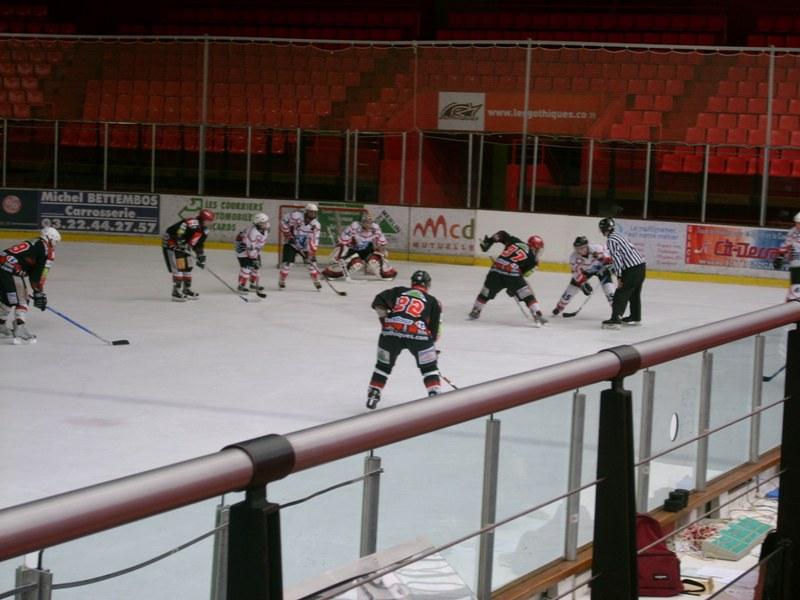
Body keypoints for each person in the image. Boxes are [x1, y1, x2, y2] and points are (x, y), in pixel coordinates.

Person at [366, 270, 443, 409]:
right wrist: (430, 350)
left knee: (383, 366)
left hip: (391, 334)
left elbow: (378, 302)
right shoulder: (433, 301)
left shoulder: (398, 291)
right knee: (429, 368)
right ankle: (434, 395)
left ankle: (374, 393)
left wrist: (385, 321)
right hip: (418, 335)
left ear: (412, 283)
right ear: (428, 285)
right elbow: (434, 332)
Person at [468, 230, 547, 326]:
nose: (538, 252)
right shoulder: (533, 260)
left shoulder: (516, 241)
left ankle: (476, 310)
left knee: (486, 292)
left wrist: (489, 242)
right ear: (534, 248)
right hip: (512, 273)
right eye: (538, 249)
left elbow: (501, 234)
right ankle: (537, 313)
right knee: (526, 294)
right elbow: (522, 275)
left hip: (496, 269)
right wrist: (513, 288)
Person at [0, 226, 60, 342]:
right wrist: (38, 292)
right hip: (12, 270)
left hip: (2, 264)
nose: (54, 244)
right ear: (48, 238)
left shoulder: (34, 242)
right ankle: (20, 327)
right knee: (23, 300)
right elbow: (38, 277)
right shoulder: (47, 251)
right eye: (54, 241)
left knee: (7, 299)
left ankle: (0, 323)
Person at [598, 217, 646, 329]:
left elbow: (618, 259)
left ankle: (615, 320)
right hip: (640, 266)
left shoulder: (611, 240)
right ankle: (635, 317)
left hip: (631, 269)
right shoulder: (619, 235)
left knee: (620, 294)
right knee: (634, 294)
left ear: (603, 229)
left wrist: (619, 276)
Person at [322, 210, 397, 280]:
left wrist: (382, 253)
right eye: (367, 222)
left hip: (366, 250)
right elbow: (342, 242)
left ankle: (385, 272)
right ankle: (332, 273)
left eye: (370, 222)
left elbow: (382, 243)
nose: (369, 224)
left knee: (375, 261)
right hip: (352, 251)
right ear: (362, 222)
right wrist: (340, 256)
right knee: (356, 265)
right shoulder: (355, 226)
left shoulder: (375, 228)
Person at [552, 236, 616, 316]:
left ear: (586, 246)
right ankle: (560, 306)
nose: (579, 250)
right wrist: (582, 283)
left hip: (601, 269)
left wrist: (608, 261)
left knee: (609, 289)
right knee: (571, 288)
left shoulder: (597, 248)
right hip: (585, 271)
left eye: (581, 248)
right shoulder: (573, 257)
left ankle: (616, 310)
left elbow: (610, 255)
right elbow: (575, 272)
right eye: (577, 248)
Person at [162, 208, 215, 302]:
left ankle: (186, 289)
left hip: (184, 247)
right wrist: (180, 242)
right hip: (171, 244)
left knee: (188, 266)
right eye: (209, 220)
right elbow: (176, 232)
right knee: (178, 267)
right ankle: (176, 292)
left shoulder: (204, 230)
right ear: (203, 219)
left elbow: (198, 244)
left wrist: (200, 255)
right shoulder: (191, 222)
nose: (210, 223)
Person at [279, 202, 321, 290]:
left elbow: (314, 240)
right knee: (288, 264)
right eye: (311, 212)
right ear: (306, 211)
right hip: (291, 243)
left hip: (305, 246)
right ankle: (282, 280)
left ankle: (316, 280)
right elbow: (283, 221)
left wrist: (311, 253)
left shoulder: (316, 225)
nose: (313, 214)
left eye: (315, 212)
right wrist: (287, 234)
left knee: (312, 264)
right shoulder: (296, 216)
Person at [234, 212, 269, 298]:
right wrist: (254, 259)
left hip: (253, 248)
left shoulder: (265, 229)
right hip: (242, 247)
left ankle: (252, 284)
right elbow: (250, 248)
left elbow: (259, 244)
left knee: (256, 266)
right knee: (247, 267)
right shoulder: (252, 233)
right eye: (264, 222)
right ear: (258, 224)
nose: (266, 224)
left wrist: (257, 255)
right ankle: (241, 286)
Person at [773, 211, 800, 301]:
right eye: (796, 223)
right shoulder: (793, 232)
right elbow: (786, 244)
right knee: (796, 283)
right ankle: (793, 299)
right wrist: (780, 256)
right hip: (795, 262)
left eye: (799, 223)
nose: (798, 225)